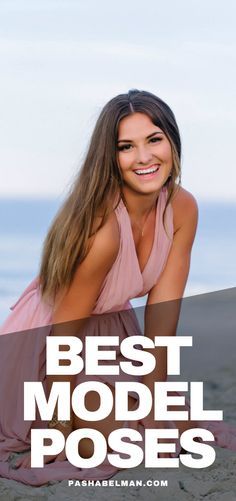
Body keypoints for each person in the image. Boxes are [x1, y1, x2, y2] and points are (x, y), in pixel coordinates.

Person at [0, 89, 202, 484]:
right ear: (110, 158)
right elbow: (64, 333)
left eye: (154, 140)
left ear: (173, 142)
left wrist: (153, 395)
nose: (144, 158)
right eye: (126, 146)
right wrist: (56, 426)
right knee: (111, 442)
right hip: (52, 342)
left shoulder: (183, 208)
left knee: (171, 430)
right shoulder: (103, 228)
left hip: (114, 335)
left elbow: (164, 309)